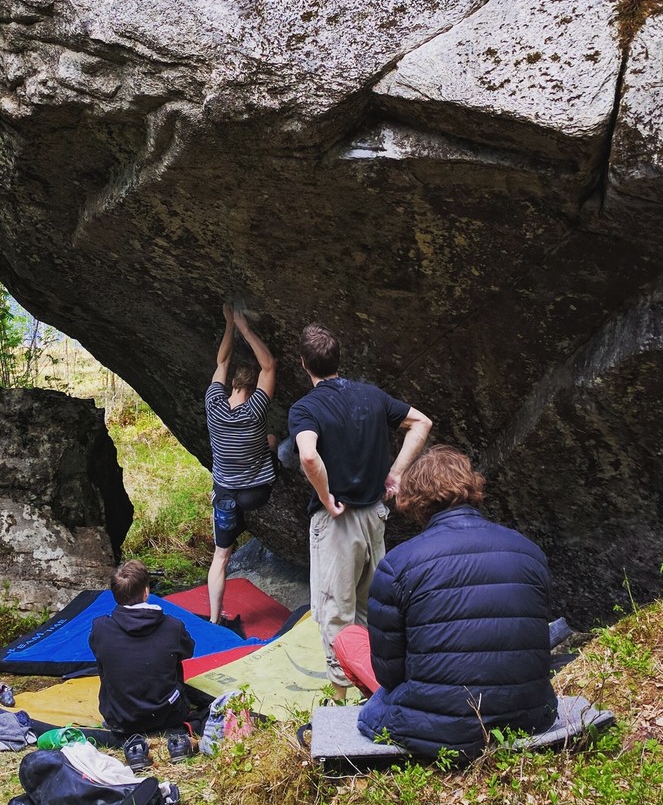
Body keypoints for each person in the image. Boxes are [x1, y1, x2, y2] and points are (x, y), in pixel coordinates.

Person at [338, 445, 557, 760]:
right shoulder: (530, 553)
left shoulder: (397, 565)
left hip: (442, 728)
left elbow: (389, 674)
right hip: (530, 715)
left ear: (415, 500)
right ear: (472, 486)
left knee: (348, 639)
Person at [288, 323, 432, 700]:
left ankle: (340, 701)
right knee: (370, 609)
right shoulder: (371, 396)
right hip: (375, 517)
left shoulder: (306, 408)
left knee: (336, 610)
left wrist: (325, 496)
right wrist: (396, 474)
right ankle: (376, 693)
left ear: (303, 363)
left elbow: (308, 455)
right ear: (338, 359)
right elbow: (421, 422)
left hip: (338, 522)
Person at [89, 559, 207, 767]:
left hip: (120, 719)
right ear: (146, 592)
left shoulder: (100, 628)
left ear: (115, 595)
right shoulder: (172, 626)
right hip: (168, 715)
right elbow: (188, 650)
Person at [205, 303, 278, 625]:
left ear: (232, 382)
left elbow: (221, 361)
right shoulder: (256, 410)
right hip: (256, 492)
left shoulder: (213, 405)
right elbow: (269, 365)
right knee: (273, 440)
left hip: (226, 494)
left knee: (221, 556)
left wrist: (228, 325)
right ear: (252, 387)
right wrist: (245, 325)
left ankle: (214, 619)